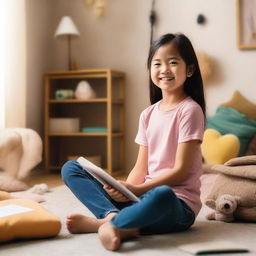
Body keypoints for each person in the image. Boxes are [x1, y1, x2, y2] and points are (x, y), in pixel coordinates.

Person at [61, 33, 206, 251]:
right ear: (150, 70)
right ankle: (113, 217)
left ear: (190, 70)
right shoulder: (147, 114)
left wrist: (138, 190)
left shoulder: (190, 110)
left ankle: (110, 225)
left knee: (162, 195)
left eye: (173, 62)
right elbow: (141, 167)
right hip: (141, 198)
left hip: (177, 205)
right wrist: (124, 190)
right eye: (157, 63)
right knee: (71, 168)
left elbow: (182, 171)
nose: (164, 69)